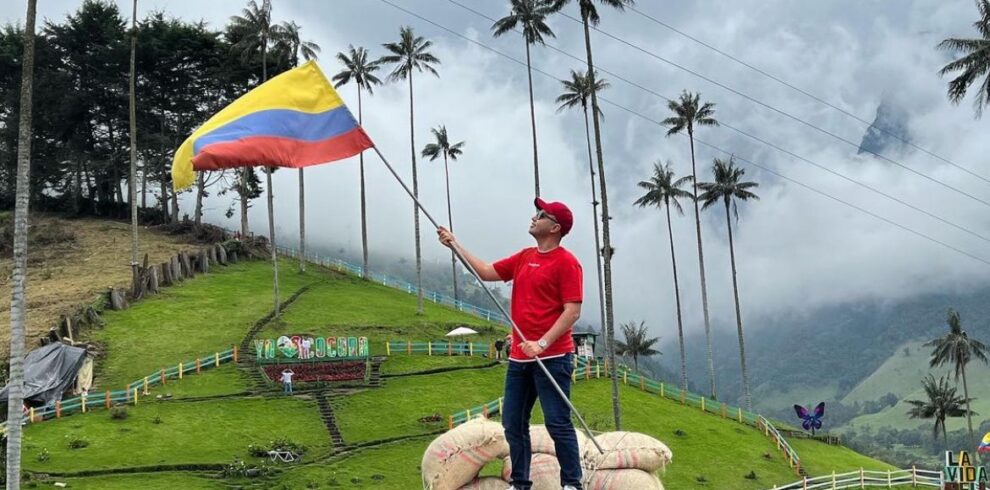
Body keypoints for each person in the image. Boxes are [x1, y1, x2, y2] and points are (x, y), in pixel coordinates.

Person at [438, 198, 583, 490]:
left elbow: (572, 311)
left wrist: (542, 343)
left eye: (541, 214)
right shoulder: (524, 257)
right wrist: (454, 245)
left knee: (557, 423)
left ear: (555, 227)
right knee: (513, 424)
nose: (534, 217)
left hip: (553, 358)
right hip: (519, 359)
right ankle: (520, 483)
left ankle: (572, 484)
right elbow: (486, 271)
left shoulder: (567, 262)